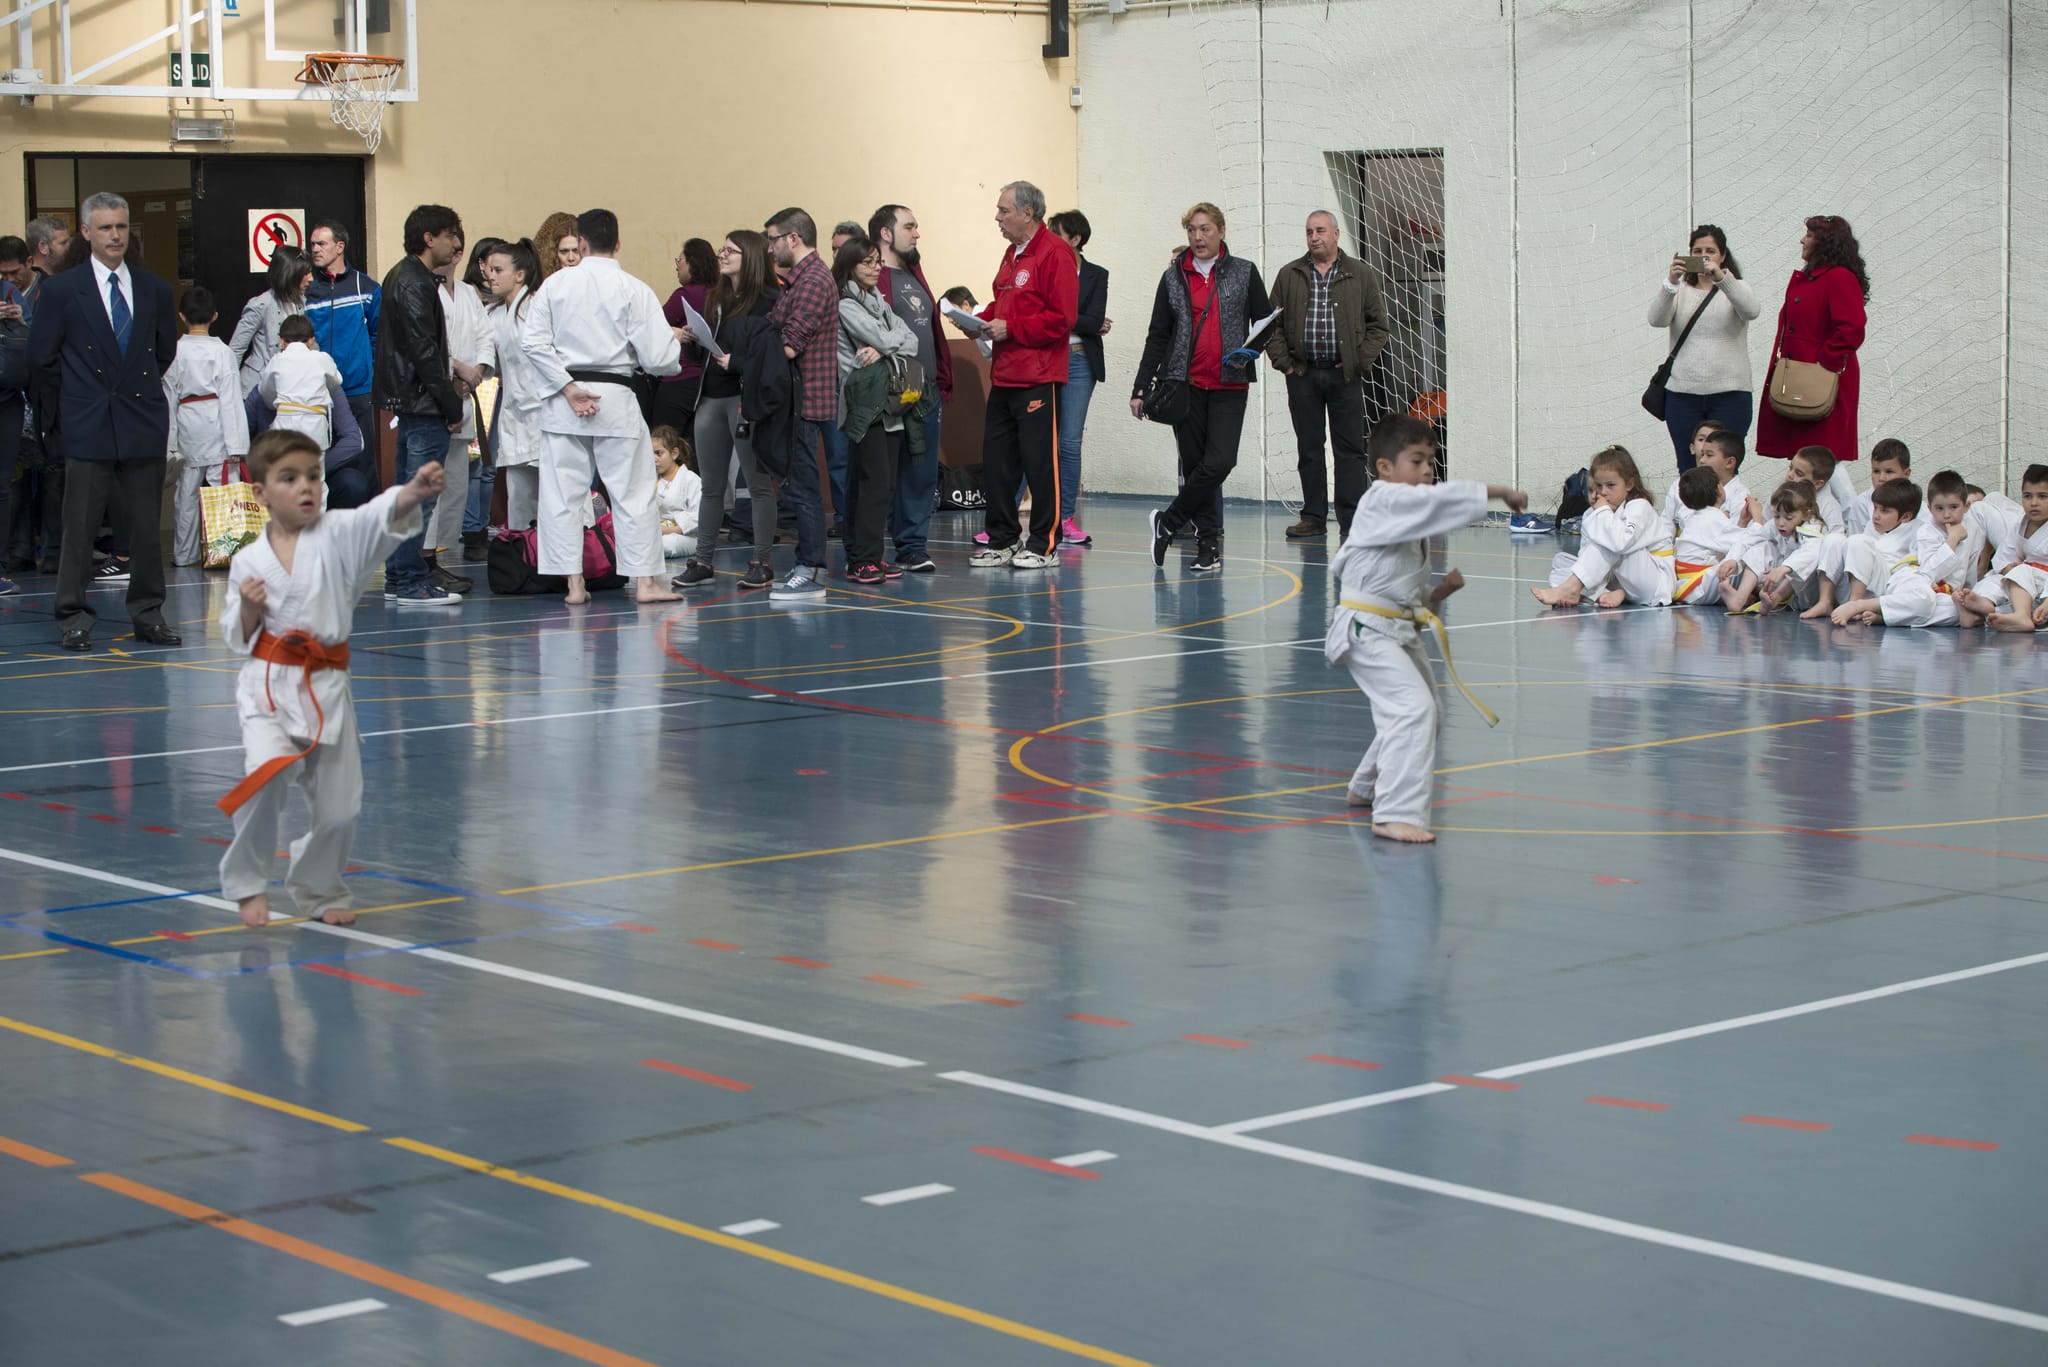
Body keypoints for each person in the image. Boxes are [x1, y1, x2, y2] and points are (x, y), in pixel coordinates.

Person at [216, 430, 446, 928]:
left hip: (327, 688)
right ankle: (247, 883)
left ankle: (319, 890)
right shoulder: (249, 560)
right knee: (264, 782)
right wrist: (250, 608)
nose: (306, 486)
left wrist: (413, 491)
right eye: (289, 478)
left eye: (314, 476)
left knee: (340, 810)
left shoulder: (337, 534)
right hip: (268, 690)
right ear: (260, 492)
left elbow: (375, 518)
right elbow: (237, 636)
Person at [1327, 415, 1526, 843]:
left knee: (1425, 710)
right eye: (1416, 461)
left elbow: (1408, 597)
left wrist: (1441, 592)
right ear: (1384, 468)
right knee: (1412, 709)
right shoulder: (1382, 501)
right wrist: (1498, 491)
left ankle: (1365, 787)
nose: (1426, 471)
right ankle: (1393, 814)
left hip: (1394, 630)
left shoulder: (1405, 523)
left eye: (1431, 462)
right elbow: (1437, 501)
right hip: (1366, 629)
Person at [28, 193, 179, 651]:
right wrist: (76, 401)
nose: (115, 235)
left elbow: (164, 352)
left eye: (121, 227)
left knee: (144, 530)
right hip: (87, 420)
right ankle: (73, 617)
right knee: (80, 526)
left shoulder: (154, 289)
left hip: (140, 417)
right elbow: (41, 359)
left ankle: (149, 615)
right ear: (86, 233)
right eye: (106, 228)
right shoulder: (61, 290)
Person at [520, 207, 682, 606]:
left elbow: (532, 343)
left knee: (562, 496)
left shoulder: (555, 286)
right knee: (633, 494)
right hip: (616, 398)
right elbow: (661, 359)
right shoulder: (634, 289)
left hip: (564, 400)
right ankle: (644, 583)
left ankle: (574, 585)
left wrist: (568, 387)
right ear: (618, 243)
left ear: (582, 243)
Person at [1133, 201, 1271, 574]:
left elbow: (1265, 322)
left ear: (1221, 231)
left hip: (1230, 384)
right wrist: (1141, 387)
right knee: (1196, 467)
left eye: (1205, 229)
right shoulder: (1172, 278)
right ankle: (1207, 547)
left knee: (1220, 461)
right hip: (1185, 385)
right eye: (1192, 230)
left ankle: (1168, 522)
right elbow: (1158, 335)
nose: (1198, 236)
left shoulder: (1244, 272)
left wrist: (1250, 351)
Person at [968, 181, 1078, 571]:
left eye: (1004, 210)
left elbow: (1061, 319)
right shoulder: (1012, 253)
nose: (997, 217)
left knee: (1040, 464)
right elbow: (1004, 305)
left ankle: (1045, 544)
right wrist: (977, 321)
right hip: (1004, 375)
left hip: (1039, 377)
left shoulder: (1055, 253)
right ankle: (1002, 540)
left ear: (1027, 213)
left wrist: (1010, 328)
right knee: (998, 463)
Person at [1266, 209, 1390, 539]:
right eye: (1309, 231)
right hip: (1302, 375)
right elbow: (1271, 326)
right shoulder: (1289, 274)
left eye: (1320, 230)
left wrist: (1359, 361)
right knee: (1309, 448)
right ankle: (1313, 517)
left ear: (1336, 234)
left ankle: (1352, 520)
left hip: (1345, 376)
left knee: (1350, 450)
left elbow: (1379, 326)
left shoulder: (1360, 274)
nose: (1314, 237)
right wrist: (1286, 364)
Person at [672, 230, 781, 593]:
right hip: (710, 398)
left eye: (731, 250)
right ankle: (703, 561)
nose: (722, 254)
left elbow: (773, 356)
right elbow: (707, 352)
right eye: (723, 248)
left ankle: (762, 562)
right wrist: (692, 340)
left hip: (744, 399)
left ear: (750, 257)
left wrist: (739, 361)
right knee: (711, 486)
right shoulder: (716, 297)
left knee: (758, 484)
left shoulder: (769, 301)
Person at [373, 203, 467, 606]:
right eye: (450, 235)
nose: (456, 243)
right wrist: (451, 403)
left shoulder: (406, 276)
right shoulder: (414, 282)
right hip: (423, 401)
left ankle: (399, 578)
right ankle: (409, 580)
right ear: (429, 238)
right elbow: (424, 351)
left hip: (411, 400)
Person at [763, 207, 841, 599]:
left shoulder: (812, 281)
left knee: (804, 488)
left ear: (793, 238)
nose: (769, 248)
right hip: (796, 399)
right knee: (798, 486)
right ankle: (807, 565)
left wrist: (752, 352)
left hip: (804, 401)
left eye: (772, 239)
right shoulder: (799, 280)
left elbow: (789, 344)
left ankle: (811, 568)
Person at [871, 203, 953, 572]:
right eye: (909, 226)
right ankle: (870, 550)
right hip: (891, 386)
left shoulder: (915, 274)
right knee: (883, 472)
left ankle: (912, 548)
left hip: (926, 387)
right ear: (885, 233)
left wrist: (941, 378)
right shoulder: (872, 278)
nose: (916, 233)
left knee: (921, 472)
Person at [833, 234, 920, 584]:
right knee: (873, 482)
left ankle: (868, 554)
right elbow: (888, 338)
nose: (874, 268)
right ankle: (861, 560)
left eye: (877, 262)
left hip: (890, 399)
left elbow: (911, 340)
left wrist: (884, 350)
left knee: (881, 482)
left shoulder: (879, 302)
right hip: (863, 402)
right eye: (866, 262)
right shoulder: (846, 304)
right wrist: (888, 344)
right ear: (850, 265)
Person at [1756, 216, 1869, 474]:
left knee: (1820, 461)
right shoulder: (1810, 278)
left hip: (1823, 381)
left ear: (1824, 242)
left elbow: (1852, 328)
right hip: (1800, 381)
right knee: (1806, 462)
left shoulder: (1839, 277)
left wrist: (1823, 363)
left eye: (1808, 235)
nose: (1802, 240)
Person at [1648, 224, 1761, 471]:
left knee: (1725, 467)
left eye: (1710, 251)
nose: (1703, 257)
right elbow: (1656, 319)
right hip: (1683, 395)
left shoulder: (1737, 287)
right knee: (1688, 466)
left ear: (1723, 255)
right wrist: (1671, 282)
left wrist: (1721, 278)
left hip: (1731, 394)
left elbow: (1751, 310)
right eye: (1697, 251)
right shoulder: (1680, 291)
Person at [424, 238, 497, 587]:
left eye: (456, 249)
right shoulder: (423, 289)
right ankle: (422, 558)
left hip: (467, 393)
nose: (451, 255)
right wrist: (457, 369)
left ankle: (442, 554)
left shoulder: (468, 294)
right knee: (428, 482)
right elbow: (424, 342)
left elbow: (485, 337)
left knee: (455, 483)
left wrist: (476, 372)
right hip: (432, 395)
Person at [162, 286, 251, 568]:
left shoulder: (174, 351)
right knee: (223, 489)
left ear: (181, 317)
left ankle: (184, 554)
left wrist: (169, 444)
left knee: (186, 494)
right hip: (218, 425)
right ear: (215, 316)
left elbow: (168, 398)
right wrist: (236, 445)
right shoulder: (223, 352)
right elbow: (231, 399)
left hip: (187, 424)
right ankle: (225, 552)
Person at [1534, 445, 1673, 608]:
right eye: (1599, 486)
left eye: (1611, 485)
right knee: (1561, 562)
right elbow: (1588, 557)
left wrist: (1604, 512)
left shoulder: (1639, 506)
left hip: (1652, 583)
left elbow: (1620, 543)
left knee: (1609, 543)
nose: (1603, 492)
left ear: (1629, 484)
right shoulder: (1593, 514)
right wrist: (1601, 513)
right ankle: (1605, 594)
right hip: (1621, 581)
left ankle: (1573, 589)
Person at [302, 218, 381, 506]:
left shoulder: (366, 287)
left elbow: (378, 335)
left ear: (340, 246)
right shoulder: (307, 289)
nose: (315, 249)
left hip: (358, 390)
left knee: (365, 461)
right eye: (312, 244)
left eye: (321, 243)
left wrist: (366, 368)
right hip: (317, 392)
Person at [1047, 209, 1108, 549]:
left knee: (1069, 442)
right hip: (1045, 357)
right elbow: (1039, 314)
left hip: (1080, 359)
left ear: (1075, 239)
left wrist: (1062, 319)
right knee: (1034, 438)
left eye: (1056, 233)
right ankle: (1005, 517)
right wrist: (1080, 320)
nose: (1048, 239)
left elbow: (1093, 320)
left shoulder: (1097, 274)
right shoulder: (1044, 268)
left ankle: (1067, 517)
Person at [1830, 477, 1961, 628]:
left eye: (1884, 511)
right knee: (1851, 541)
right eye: (1875, 508)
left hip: (1900, 584)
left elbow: (1928, 569)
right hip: (1870, 586)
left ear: (1906, 516)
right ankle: (1855, 603)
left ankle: (1884, 615)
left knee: (1954, 609)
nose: (1876, 515)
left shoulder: (1920, 529)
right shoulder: (1870, 528)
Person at [482, 238, 546, 531]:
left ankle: (577, 550)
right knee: (519, 493)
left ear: (519, 275)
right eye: (490, 270)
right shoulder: (493, 315)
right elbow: (485, 360)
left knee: (556, 490)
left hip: (545, 409)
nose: (491, 276)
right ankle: (521, 547)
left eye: (498, 270)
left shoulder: (539, 307)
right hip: (513, 412)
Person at [1956, 464, 2048, 632]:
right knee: (1993, 579)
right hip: (2026, 582)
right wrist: (2007, 568)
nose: (2034, 503)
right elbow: (2007, 554)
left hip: (2044, 589)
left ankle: (2022, 616)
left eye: (2042, 496)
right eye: (2028, 496)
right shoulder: (2021, 524)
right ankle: (1981, 607)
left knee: (2020, 573)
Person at [1720, 480, 1826, 615]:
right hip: (1776, 581)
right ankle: (1739, 598)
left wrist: (1784, 568)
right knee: (1762, 547)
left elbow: (1810, 553)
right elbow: (1749, 539)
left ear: (1806, 515)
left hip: (1804, 593)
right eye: (1776, 516)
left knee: (1802, 566)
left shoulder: (1814, 528)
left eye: (1789, 518)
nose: (1781, 523)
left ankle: (1775, 599)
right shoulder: (1774, 526)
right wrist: (1732, 559)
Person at [654, 238, 717, 437]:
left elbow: (653, 326)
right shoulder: (718, 294)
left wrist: (673, 331)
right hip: (706, 381)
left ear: (692, 263)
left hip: (679, 377)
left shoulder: (686, 295)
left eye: (680, 260)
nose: (677, 266)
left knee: (664, 438)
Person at [229, 246, 313, 394]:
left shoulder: (304, 303)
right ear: (289, 273)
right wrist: (230, 393)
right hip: (257, 388)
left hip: (290, 387)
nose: (311, 278)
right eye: (305, 273)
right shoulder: (261, 304)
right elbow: (236, 350)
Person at [259, 315, 345, 452]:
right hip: (315, 427)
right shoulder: (321, 359)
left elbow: (265, 391)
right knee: (313, 466)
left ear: (281, 340)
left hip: (285, 425)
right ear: (311, 340)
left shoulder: (277, 361)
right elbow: (336, 381)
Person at [1670, 465, 1743, 607]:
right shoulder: (1714, 518)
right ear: (1719, 489)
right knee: (1752, 552)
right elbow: (1746, 540)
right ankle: (1742, 596)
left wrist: (1742, 522)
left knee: (1735, 555)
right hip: (1700, 586)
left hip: (1687, 586)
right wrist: (1758, 519)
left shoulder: (1693, 517)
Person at [0, 251, 26, 595]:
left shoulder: (10, 292)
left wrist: (19, 320)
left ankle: (0, 568)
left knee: (2, 487)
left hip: (7, 399)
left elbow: (34, 342)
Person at [1662, 428, 1749, 523]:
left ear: (1729, 462)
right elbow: (1666, 523)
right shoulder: (1687, 485)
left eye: (1709, 455)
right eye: (1702, 454)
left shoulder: (1741, 497)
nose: (1702, 460)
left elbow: (1736, 531)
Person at [653, 424, 701, 559]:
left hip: (686, 536)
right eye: (650, 454)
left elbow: (698, 516)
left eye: (659, 453)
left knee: (668, 543)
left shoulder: (691, 479)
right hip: (657, 532)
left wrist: (670, 530)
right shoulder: (651, 479)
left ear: (674, 453)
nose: (654, 459)